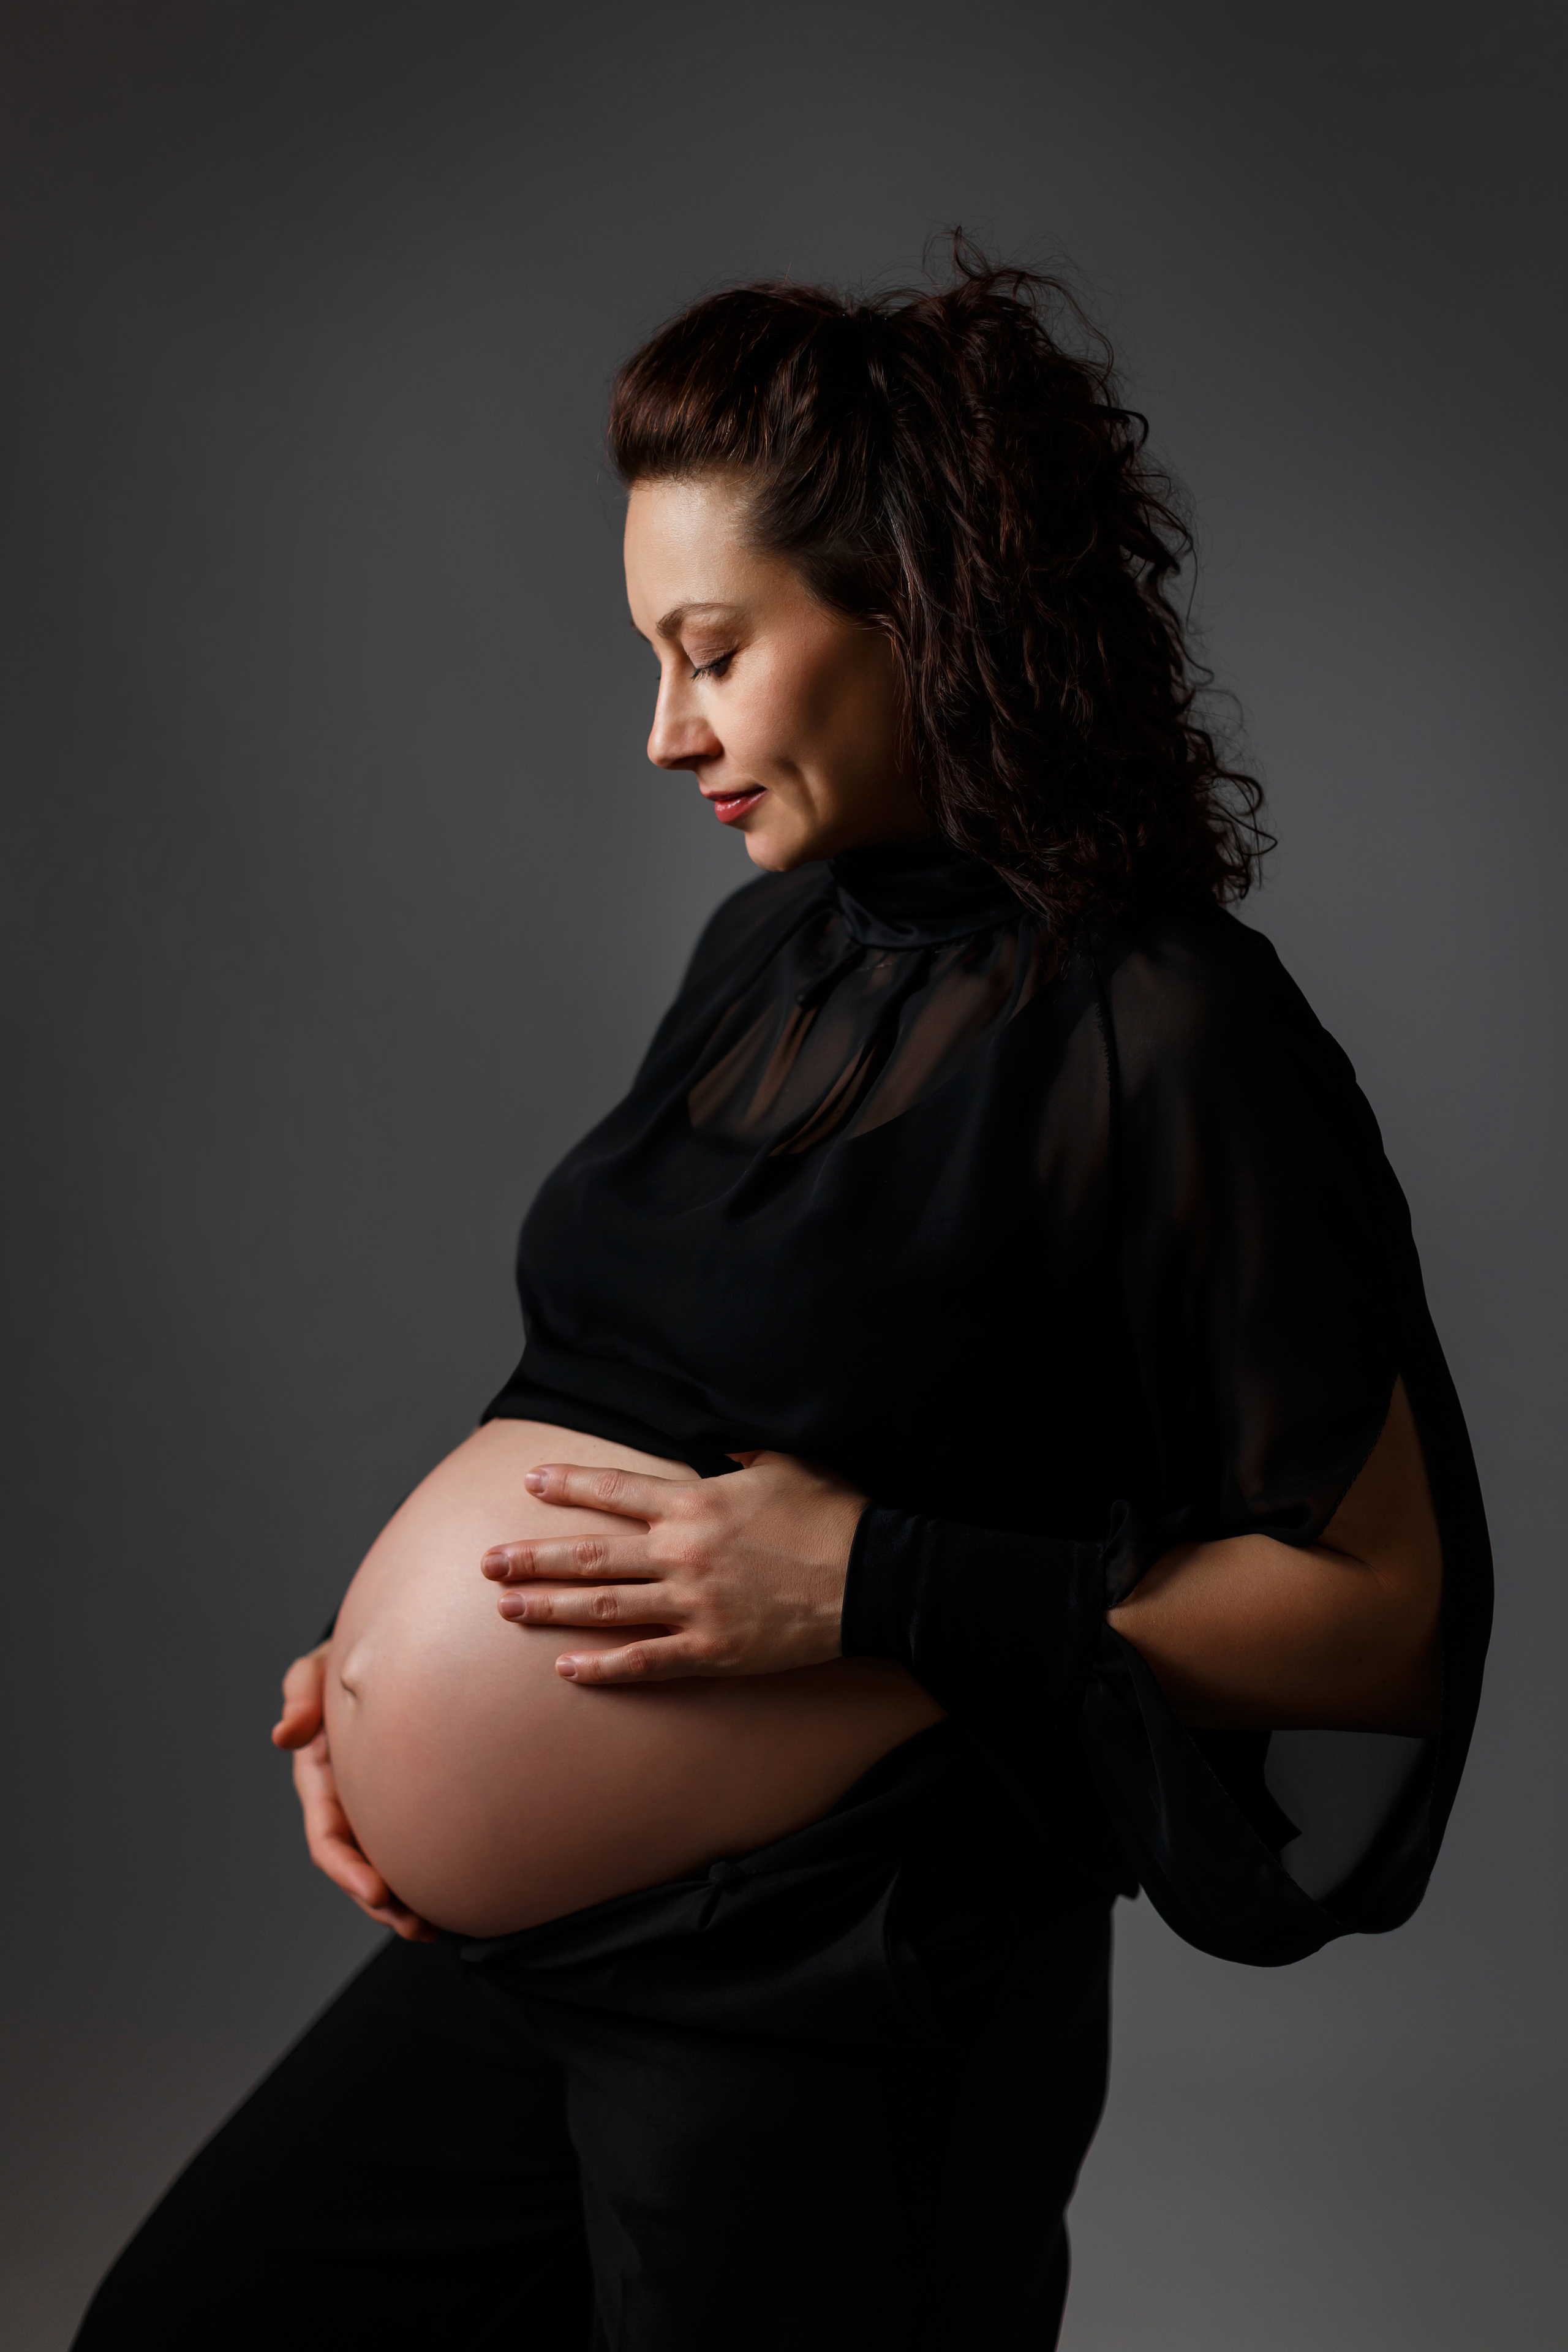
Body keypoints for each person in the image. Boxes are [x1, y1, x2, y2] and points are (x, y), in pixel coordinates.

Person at [73, 242, 1491, 2351]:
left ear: (923, 606)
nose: (667, 735)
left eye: (713, 653)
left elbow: (1381, 1618)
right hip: (553, 1957)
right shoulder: (773, 958)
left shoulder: (1170, 1027)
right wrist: (374, 1690)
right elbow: (633, 1389)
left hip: (831, 1989)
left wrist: (873, 1586)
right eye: (655, 659)